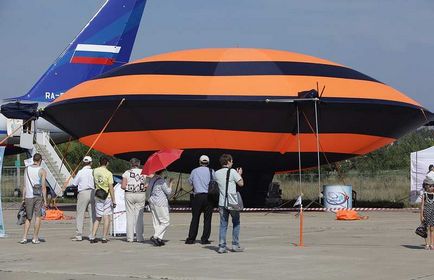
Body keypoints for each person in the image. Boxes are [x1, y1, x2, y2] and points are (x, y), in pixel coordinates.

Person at [214, 154, 244, 254]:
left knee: (223, 224)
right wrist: (239, 174)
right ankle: (235, 245)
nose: (232, 162)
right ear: (228, 162)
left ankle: (222, 246)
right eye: (231, 161)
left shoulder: (216, 173)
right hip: (232, 202)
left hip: (222, 202)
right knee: (236, 222)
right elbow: (241, 183)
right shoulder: (233, 171)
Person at [185, 155, 215, 244]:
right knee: (207, 219)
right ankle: (205, 239)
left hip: (197, 196)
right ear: (208, 162)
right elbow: (214, 182)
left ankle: (191, 238)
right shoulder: (211, 171)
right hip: (208, 196)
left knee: (195, 218)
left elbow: (190, 182)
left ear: (200, 162)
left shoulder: (194, 171)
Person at [20, 153, 48, 244]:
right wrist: (45, 200)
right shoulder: (42, 171)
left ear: (33, 160)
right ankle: (35, 238)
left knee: (28, 217)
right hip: (38, 196)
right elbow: (43, 187)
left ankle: (24, 237)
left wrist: (23, 198)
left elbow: (24, 185)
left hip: (28, 196)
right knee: (38, 217)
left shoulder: (27, 169)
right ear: (40, 160)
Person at [90, 157, 116, 243]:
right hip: (107, 196)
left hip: (98, 195)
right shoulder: (109, 173)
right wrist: (114, 200)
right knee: (106, 217)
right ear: (107, 163)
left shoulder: (94, 171)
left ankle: (93, 236)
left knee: (98, 217)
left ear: (99, 163)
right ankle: (104, 237)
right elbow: (111, 187)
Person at [121, 158, 148, 242]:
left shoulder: (127, 173)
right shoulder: (144, 172)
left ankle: (130, 238)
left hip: (129, 194)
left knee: (129, 216)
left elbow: (123, 186)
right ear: (139, 163)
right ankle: (140, 237)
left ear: (131, 164)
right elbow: (147, 184)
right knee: (139, 216)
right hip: (140, 194)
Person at [71, 156, 95, 241]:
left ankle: (79, 235)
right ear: (91, 163)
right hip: (92, 192)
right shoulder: (93, 172)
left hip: (83, 193)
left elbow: (74, 183)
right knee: (93, 215)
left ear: (83, 163)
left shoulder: (80, 172)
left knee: (80, 214)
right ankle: (92, 234)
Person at [148, 170, 173, 246]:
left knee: (157, 222)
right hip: (160, 202)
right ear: (162, 172)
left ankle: (159, 238)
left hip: (152, 201)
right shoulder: (161, 181)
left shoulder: (152, 179)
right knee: (165, 221)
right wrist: (171, 184)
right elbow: (168, 191)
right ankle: (155, 237)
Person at [421, 178, 434, 249]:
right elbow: (422, 206)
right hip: (426, 214)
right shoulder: (424, 195)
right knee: (425, 229)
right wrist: (421, 215)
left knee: (432, 229)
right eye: (432, 186)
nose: (433, 187)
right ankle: (427, 244)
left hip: (432, 214)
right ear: (427, 186)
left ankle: (432, 244)